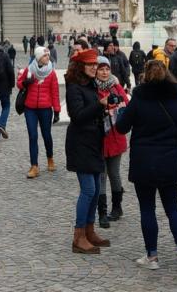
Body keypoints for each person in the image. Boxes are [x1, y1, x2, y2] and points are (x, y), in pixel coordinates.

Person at [115, 58, 177, 272]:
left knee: (147, 209)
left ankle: (152, 257)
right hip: (169, 160)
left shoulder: (139, 99)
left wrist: (121, 111)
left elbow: (122, 128)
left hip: (144, 161)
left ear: (145, 76)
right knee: (173, 207)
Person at [65, 48, 110, 254]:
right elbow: (77, 116)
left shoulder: (91, 84)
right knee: (89, 190)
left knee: (96, 189)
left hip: (93, 142)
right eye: (90, 64)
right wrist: (99, 105)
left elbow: (92, 113)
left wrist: (105, 110)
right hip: (80, 143)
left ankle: (90, 231)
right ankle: (79, 236)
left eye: (95, 64)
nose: (94, 67)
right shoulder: (74, 87)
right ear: (81, 66)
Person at [94, 55, 129, 227]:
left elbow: (126, 104)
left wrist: (114, 107)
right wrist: (102, 109)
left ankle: (117, 208)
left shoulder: (115, 86)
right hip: (99, 138)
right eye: (101, 69)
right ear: (96, 71)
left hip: (115, 137)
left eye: (107, 69)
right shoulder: (92, 87)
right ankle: (102, 211)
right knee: (101, 175)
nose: (104, 72)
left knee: (114, 174)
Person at [18, 46, 62, 178]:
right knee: (32, 136)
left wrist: (57, 111)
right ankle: (34, 166)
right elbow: (19, 83)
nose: (48, 57)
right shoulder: (29, 69)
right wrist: (25, 83)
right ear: (38, 57)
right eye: (45, 55)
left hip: (45, 108)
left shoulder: (51, 73)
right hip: (30, 108)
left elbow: (55, 93)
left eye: (48, 55)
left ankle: (50, 158)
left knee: (46, 134)